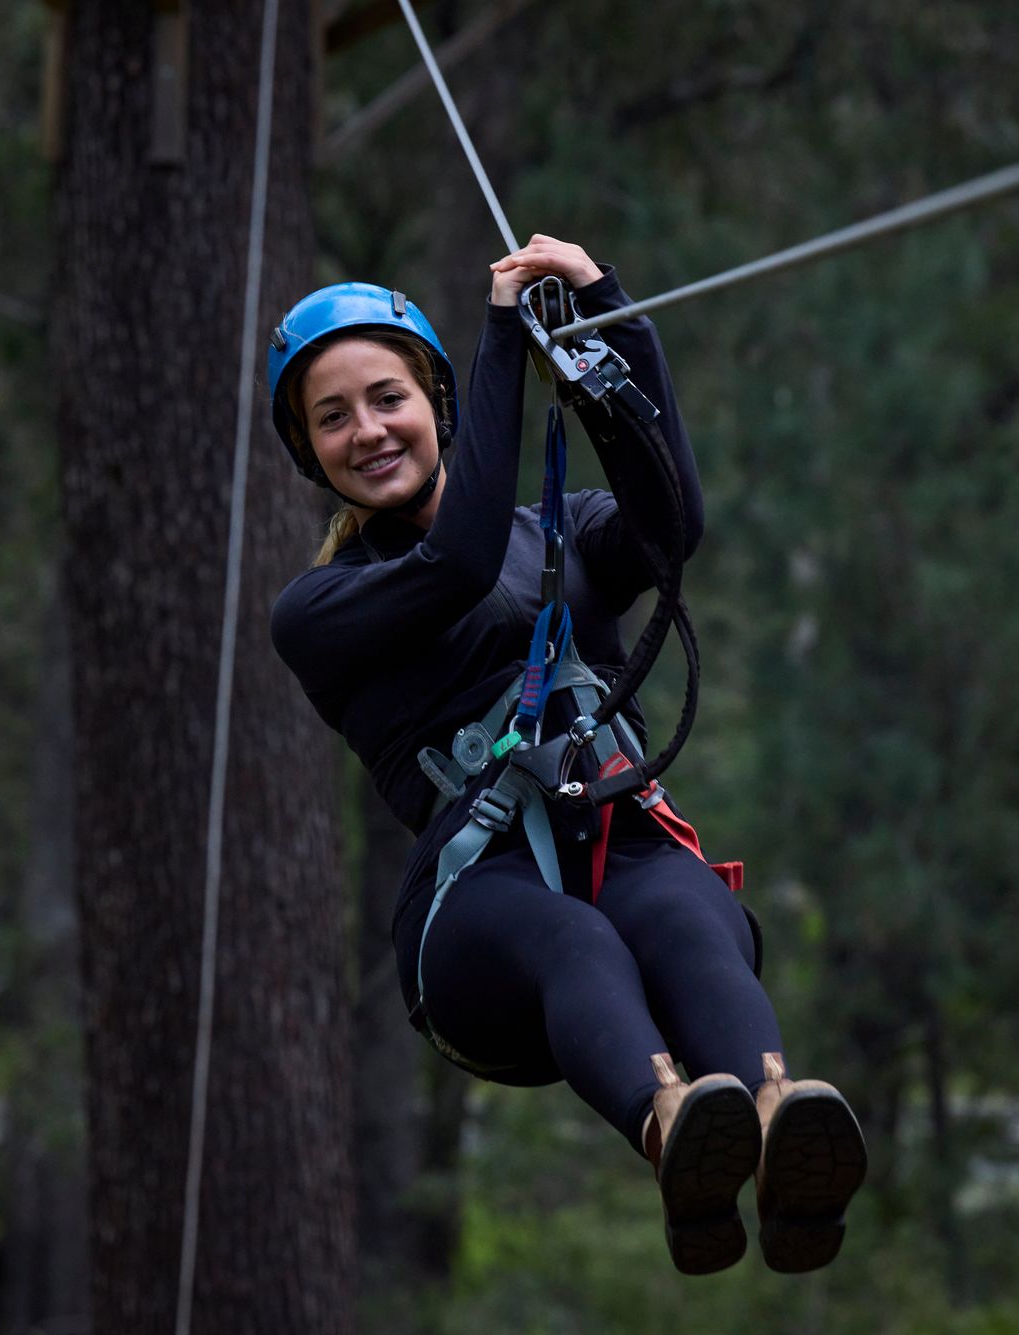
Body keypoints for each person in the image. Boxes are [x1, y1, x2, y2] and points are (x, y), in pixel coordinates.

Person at [267, 234, 866, 1275]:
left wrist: (602, 315)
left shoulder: (562, 532)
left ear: (434, 405)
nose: (366, 430)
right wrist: (501, 335)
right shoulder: (319, 608)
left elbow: (669, 519)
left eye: (386, 398)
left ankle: (776, 1132)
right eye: (333, 417)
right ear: (309, 450)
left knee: (687, 912)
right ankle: (670, 1127)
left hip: (619, 845)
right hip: (476, 906)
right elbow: (453, 563)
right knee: (577, 943)